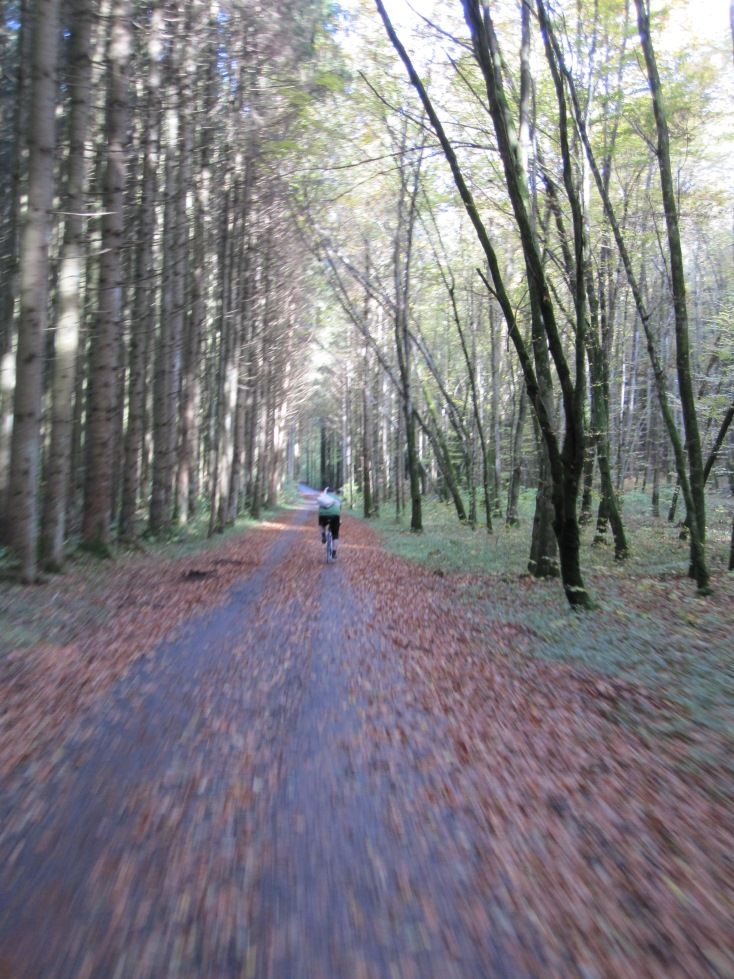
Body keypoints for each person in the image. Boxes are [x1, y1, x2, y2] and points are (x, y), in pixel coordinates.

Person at [317, 486, 342, 559]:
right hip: (335, 516)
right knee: (335, 535)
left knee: (322, 524)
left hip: (323, 515)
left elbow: (319, 507)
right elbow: (339, 509)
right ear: (334, 492)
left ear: (326, 492)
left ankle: (323, 535)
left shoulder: (323, 497)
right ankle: (334, 553)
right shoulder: (337, 498)